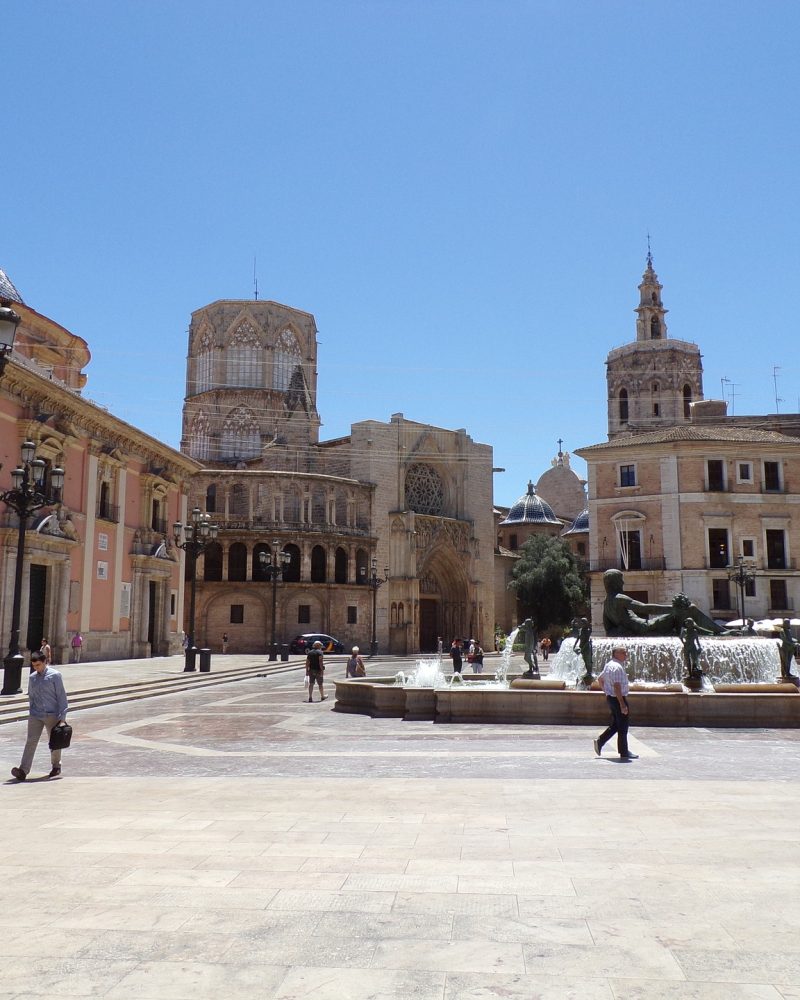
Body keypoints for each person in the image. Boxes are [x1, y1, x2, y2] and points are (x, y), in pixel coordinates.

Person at [602, 569, 725, 637]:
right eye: (621, 580)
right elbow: (645, 608)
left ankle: (712, 632)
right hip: (647, 627)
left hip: (642, 629)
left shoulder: (606, 603)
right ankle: (721, 632)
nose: (623, 583)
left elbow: (608, 629)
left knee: (685, 617)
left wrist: (623, 630)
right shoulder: (620, 598)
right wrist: (673, 609)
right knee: (690, 609)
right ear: (616, 582)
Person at [11, 650, 69, 781]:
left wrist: (62, 718)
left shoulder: (55, 676)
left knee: (54, 742)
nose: (36, 668)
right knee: (31, 741)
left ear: (44, 662)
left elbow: (61, 696)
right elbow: (31, 696)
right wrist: (32, 712)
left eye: (38, 665)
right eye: (34, 666)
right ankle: (23, 770)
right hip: (36, 715)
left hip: (52, 714)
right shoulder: (32, 678)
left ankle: (56, 766)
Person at [593, 646, 638, 761]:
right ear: (616, 654)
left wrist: (607, 693)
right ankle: (624, 752)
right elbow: (617, 686)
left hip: (612, 698)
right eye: (623, 653)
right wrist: (622, 704)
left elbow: (600, 679)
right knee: (623, 725)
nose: (626, 655)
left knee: (617, 724)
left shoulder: (609, 665)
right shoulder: (617, 667)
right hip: (618, 698)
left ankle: (600, 741)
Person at [680, 616, 714, 687]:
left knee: (694, 659)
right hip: (686, 647)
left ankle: (694, 671)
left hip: (693, 647)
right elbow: (681, 637)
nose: (687, 624)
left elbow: (697, 641)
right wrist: (684, 643)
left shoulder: (695, 631)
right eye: (687, 623)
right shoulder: (685, 631)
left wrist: (699, 647)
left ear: (692, 624)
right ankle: (690, 674)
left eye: (689, 623)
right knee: (687, 660)